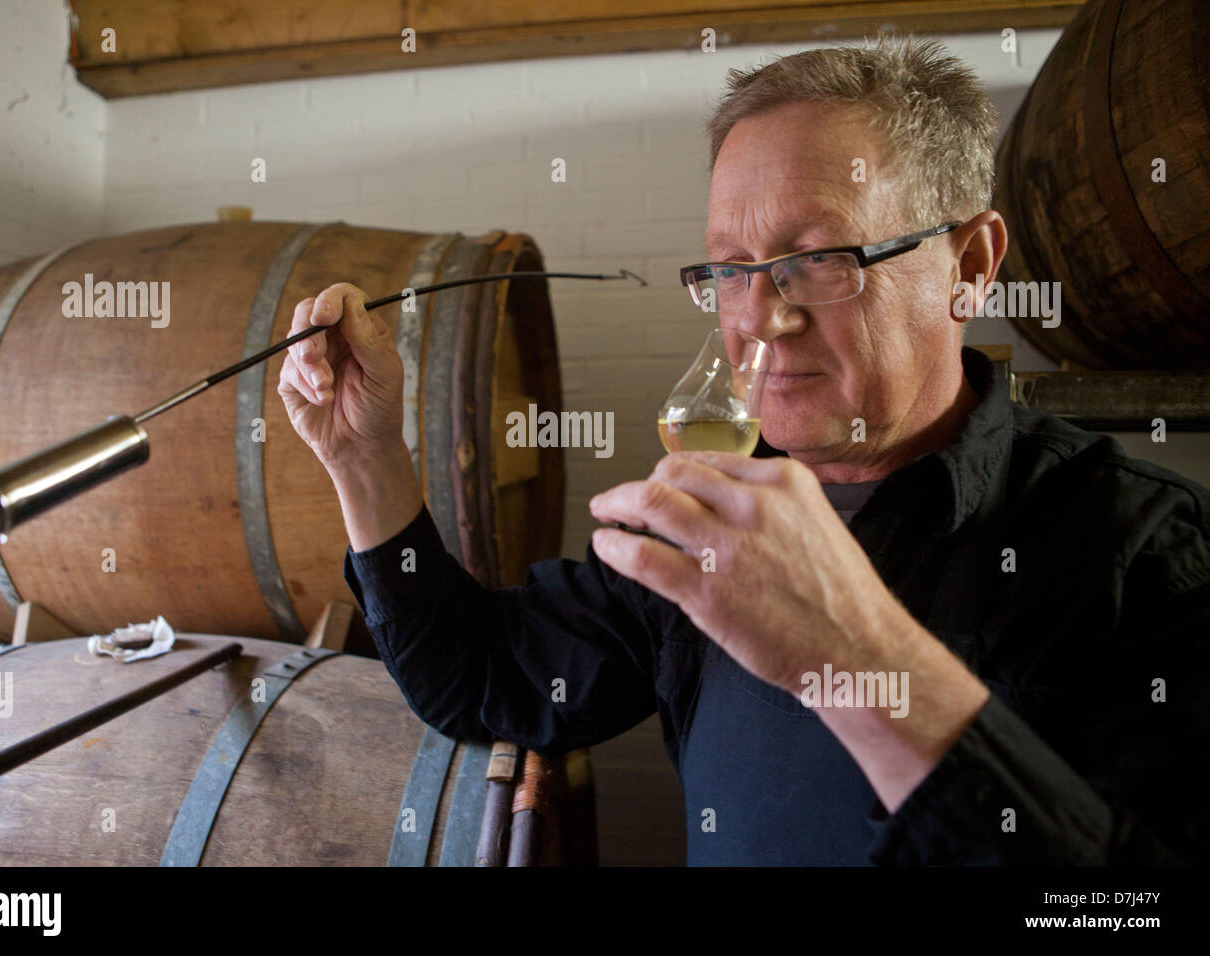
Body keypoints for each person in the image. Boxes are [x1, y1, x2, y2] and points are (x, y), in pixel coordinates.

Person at [277, 35, 1209, 864]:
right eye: (730, 268)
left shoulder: (1142, 546)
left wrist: (856, 658)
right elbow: (480, 680)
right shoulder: (712, 510)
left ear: (968, 266)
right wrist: (365, 458)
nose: (762, 315)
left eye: (820, 258)